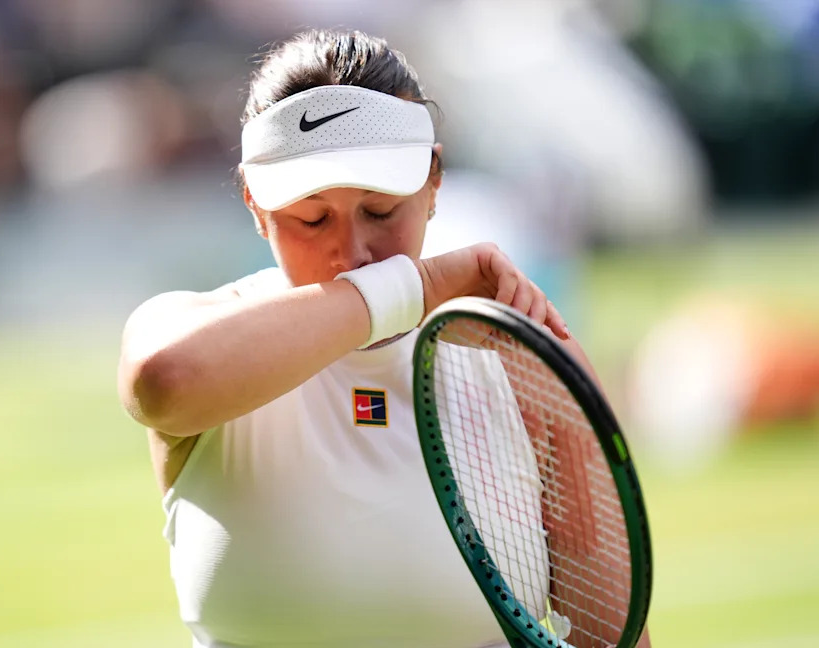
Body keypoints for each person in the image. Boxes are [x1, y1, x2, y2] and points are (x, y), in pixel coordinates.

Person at [118, 29, 650, 648]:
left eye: (380, 210)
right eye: (311, 218)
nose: (354, 252)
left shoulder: (524, 359)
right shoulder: (198, 326)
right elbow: (165, 381)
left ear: (433, 184)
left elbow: (611, 631)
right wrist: (415, 287)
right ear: (254, 206)